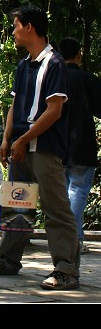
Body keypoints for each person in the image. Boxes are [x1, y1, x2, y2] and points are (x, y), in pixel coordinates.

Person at [0, 5, 80, 291]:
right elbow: (15, 104)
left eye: (16, 26)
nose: (13, 32)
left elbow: (54, 110)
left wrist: (23, 140)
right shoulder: (24, 65)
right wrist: (7, 139)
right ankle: (8, 258)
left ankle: (66, 269)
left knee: (55, 209)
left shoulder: (55, 63)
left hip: (44, 148)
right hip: (19, 149)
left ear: (30, 27)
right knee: (17, 204)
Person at [58, 37, 101, 256]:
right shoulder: (88, 79)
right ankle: (74, 239)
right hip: (82, 146)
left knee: (63, 195)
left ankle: (64, 239)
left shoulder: (53, 78)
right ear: (79, 55)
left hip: (57, 145)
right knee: (78, 192)